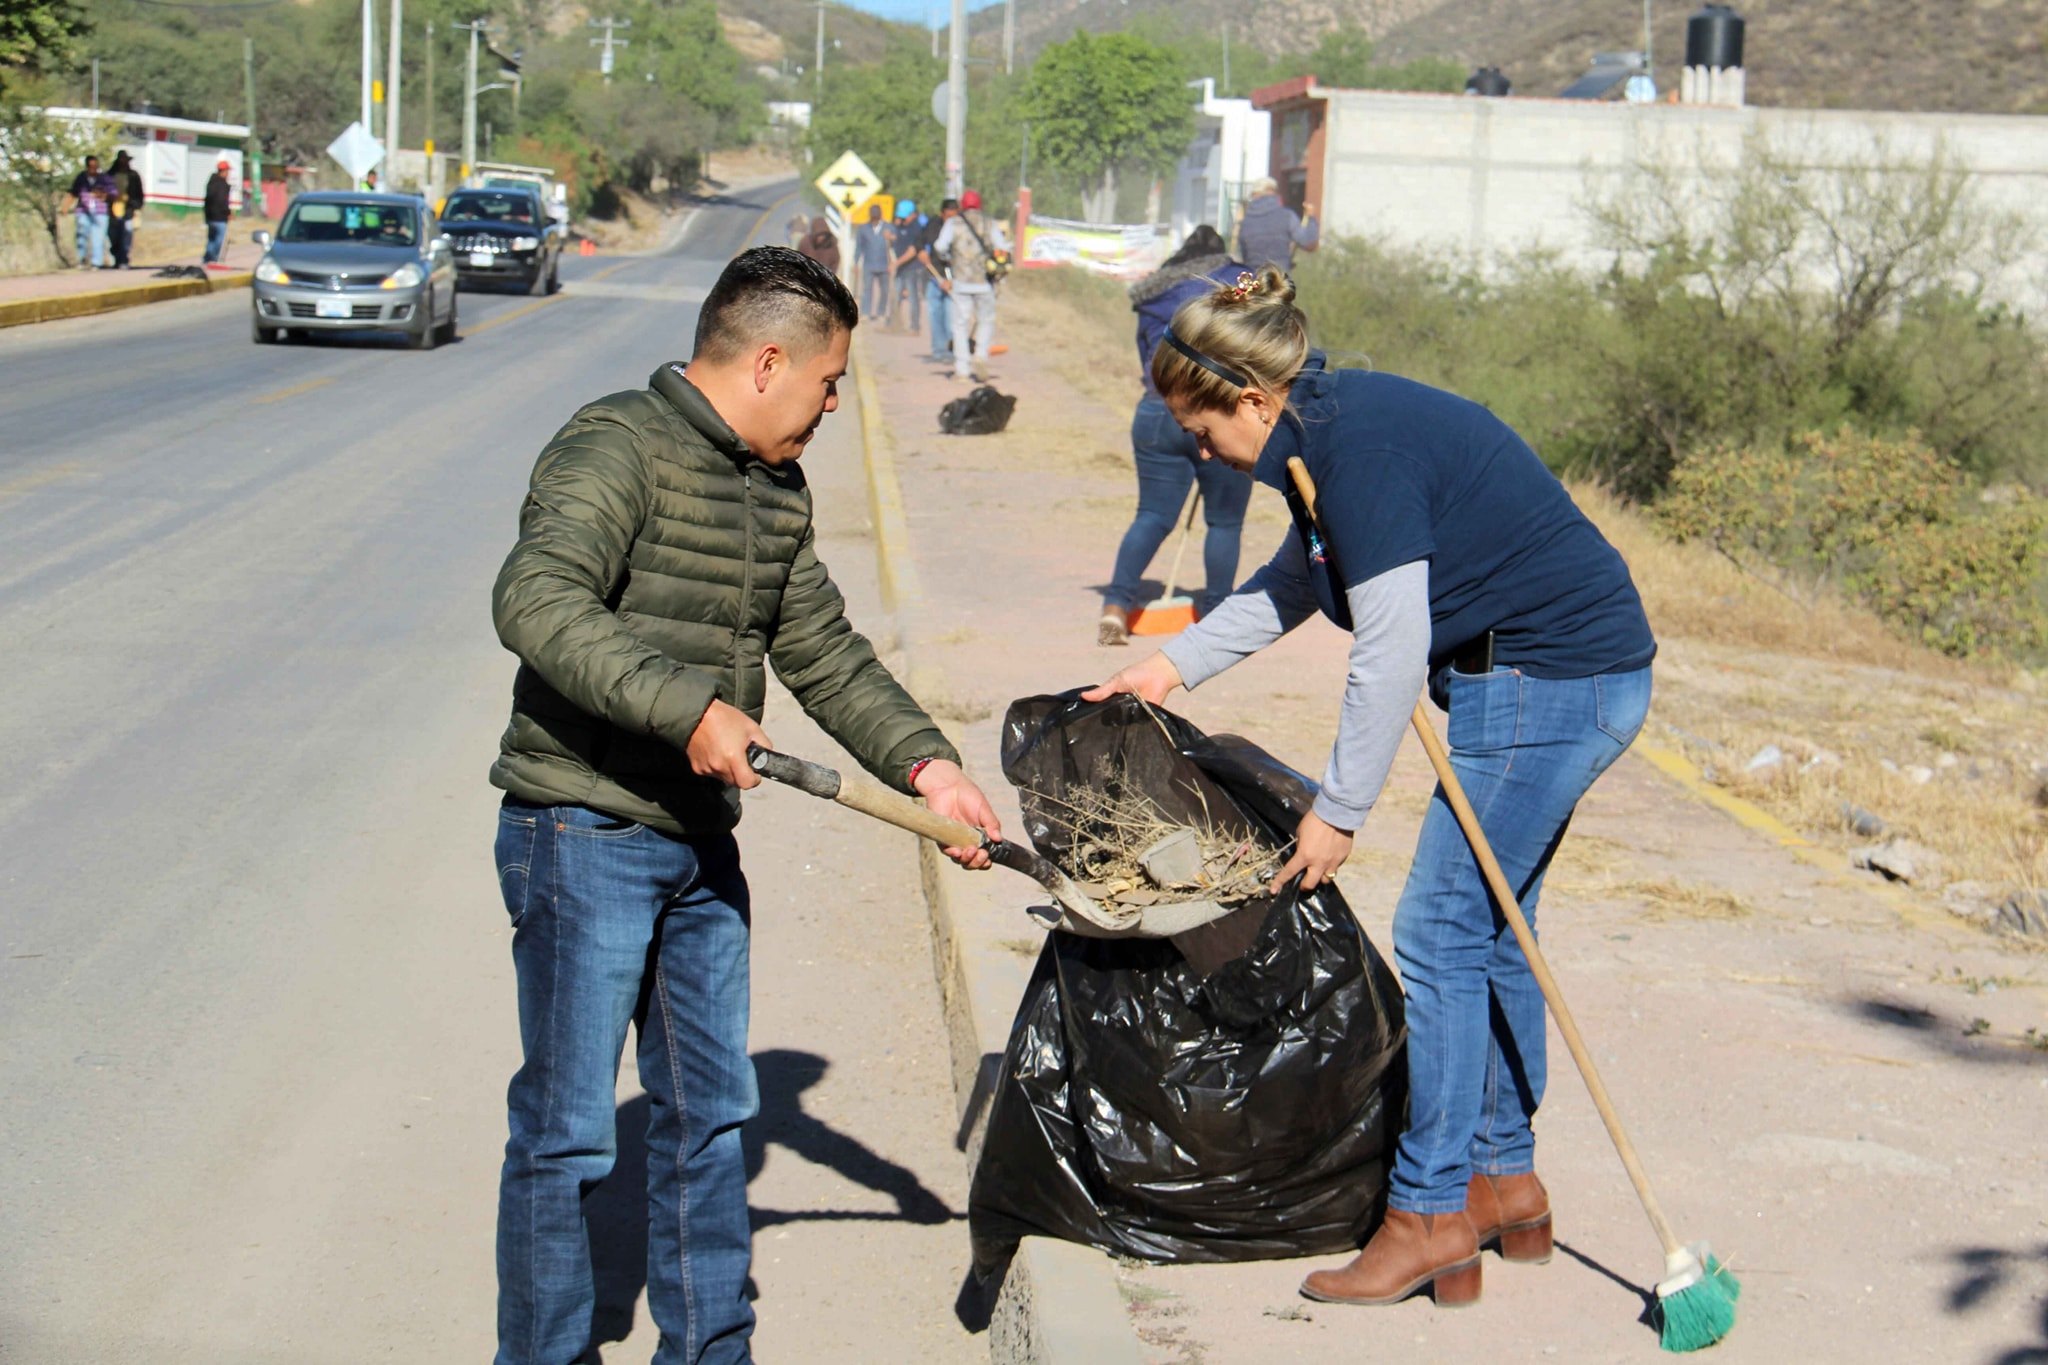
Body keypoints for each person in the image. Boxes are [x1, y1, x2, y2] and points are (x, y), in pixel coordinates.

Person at [1084, 266, 1656, 1311]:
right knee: (1487, 931)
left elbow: (1387, 648)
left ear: (1251, 399)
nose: (1198, 452)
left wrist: (1337, 810)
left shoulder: (1359, 449)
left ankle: (1429, 1213)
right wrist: (1167, 671)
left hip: (1547, 683)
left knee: (1438, 933)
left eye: (1202, 432)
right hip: (1542, 679)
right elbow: (1298, 585)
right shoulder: (1315, 438)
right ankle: (1502, 1184)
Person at [488, 245, 1004, 1365]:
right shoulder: (615, 443)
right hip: (580, 829)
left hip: (694, 848)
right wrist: (687, 709)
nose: (833, 406)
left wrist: (928, 767)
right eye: (828, 384)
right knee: (569, 1138)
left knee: (710, 1119)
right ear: (769, 361)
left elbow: (820, 647)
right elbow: (536, 598)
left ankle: (712, 1352)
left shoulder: (773, 488)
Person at [1099, 225, 1255, 645]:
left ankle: (1115, 606)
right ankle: (1216, 614)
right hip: (1220, 411)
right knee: (1224, 522)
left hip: (1157, 410)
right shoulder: (1241, 282)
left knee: (1151, 515)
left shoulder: (1153, 296)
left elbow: (1145, 359)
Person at [929, 189, 1010, 383]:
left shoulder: (953, 223)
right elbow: (1003, 248)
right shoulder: (989, 223)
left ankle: (962, 370)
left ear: (962, 204)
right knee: (985, 320)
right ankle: (981, 356)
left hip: (961, 282)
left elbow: (939, 247)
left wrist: (950, 259)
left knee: (960, 325)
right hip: (984, 282)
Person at [1235, 177, 1319, 273]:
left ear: (1254, 195)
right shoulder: (1287, 216)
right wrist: (1311, 218)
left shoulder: (1246, 223)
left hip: (1254, 282)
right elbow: (1309, 244)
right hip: (1279, 281)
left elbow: (1242, 256)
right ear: (1271, 191)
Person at [916, 198, 958, 365]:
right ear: (942, 214)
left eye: (954, 216)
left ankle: (952, 351)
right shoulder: (933, 224)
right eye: (948, 216)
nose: (951, 221)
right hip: (934, 276)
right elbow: (919, 241)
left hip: (953, 279)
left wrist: (952, 280)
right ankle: (938, 351)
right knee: (934, 315)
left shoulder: (961, 228)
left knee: (951, 317)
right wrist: (921, 252)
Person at [66, 155, 113, 270]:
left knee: (98, 237)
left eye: (95, 166)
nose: (93, 169)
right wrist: (65, 207)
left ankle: (96, 262)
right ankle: (81, 260)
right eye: (91, 166)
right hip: (83, 210)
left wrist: (103, 195)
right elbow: (74, 192)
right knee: (81, 234)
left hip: (100, 211)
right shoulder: (81, 177)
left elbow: (113, 192)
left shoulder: (104, 178)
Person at [888, 200, 925, 332]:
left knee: (913, 297)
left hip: (912, 268)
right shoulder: (902, 225)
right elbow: (899, 239)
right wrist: (891, 237)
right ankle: (893, 323)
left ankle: (914, 326)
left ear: (913, 214)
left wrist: (896, 263)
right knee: (896, 294)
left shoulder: (916, 228)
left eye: (904, 217)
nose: (902, 219)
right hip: (901, 267)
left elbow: (912, 251)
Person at [853, 202, 892, 322]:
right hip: (868, 264)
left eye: (876, 214)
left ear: (880, 214)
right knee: (867, 289)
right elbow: (859, 246)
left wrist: (890, 238)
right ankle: (865, 312)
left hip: (884, 264)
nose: (875, 217)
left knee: (885, 290)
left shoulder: (888, 227)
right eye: (873, 214)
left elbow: (895, 243)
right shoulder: (863, 228)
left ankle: (881, 313)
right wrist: (856, 262)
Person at [106, 151, 144, 270]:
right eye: (122, 159)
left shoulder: (133, 176)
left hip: (128, 209)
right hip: (112, 210)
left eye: (126, 160)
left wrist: (136, 206)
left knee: (126, 234)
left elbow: (139, 193)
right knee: (113, 235)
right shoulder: (110, 175)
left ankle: (123, 259)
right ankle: (116, 258)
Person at [202, 159, 233, 265]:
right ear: (223, 171)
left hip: (211, 217)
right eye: (227, 171)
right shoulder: (222, 185)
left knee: (211, 239)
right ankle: (213, 259)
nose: (228, 173)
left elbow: (207, 201)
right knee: (219, 240)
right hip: (219, 217)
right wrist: (228, 212)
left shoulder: (211, 183)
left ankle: (207, 259)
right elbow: (222, 201)